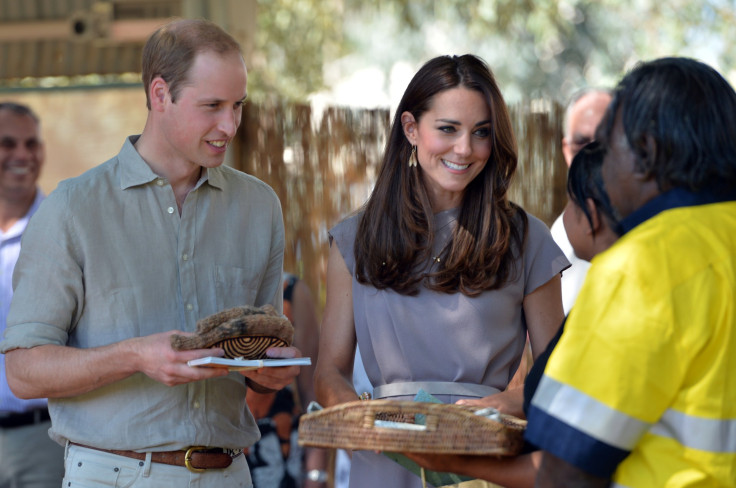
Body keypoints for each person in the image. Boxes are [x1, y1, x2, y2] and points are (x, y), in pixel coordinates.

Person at [0, 19, 301, 488]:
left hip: (231, 475)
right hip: (113, 475)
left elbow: (257, 358)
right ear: (160, 95)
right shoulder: (72, 208)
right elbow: (23, 372)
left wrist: (269, 372)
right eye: (213, 106)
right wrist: (135, 356)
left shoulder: (260, 206)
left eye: (238, 105)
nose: (231, 124)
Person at [313, 54, 568, 488]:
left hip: (484, 460)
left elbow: (561, 374)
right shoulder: (354, 238)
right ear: (411, 129)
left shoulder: (529, 238)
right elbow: (328, 372)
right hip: (384, 461)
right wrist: (357, 419)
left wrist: (513, 400)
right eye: (447, 129)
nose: (465, 149)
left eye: (481, 133)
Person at [527, 57, 736, 487]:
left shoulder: (644, 265)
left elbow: (567, 469)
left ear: (646, 153)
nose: (600, 167)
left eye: (605, 147)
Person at [404, 141, 619, 488]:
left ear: (590, 212)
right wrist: (508, 402)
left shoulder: (615, 304)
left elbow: (571, 459)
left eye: (570, 202)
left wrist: (457, 462)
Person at [0, 102, 64, 487]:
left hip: (42, 439)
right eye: (7, 143)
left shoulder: (62, 227)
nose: (22, 155)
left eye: (31, 144)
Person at [246, 272, 328, 487]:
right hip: (217, 453)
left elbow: (312, 394)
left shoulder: (290, 291)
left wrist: (315, 473)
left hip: (278, 455)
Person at [550, 88, 611, 314]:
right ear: (567, 151)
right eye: (582, 145)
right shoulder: (558, 236)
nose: (593, 156)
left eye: (605, 142)